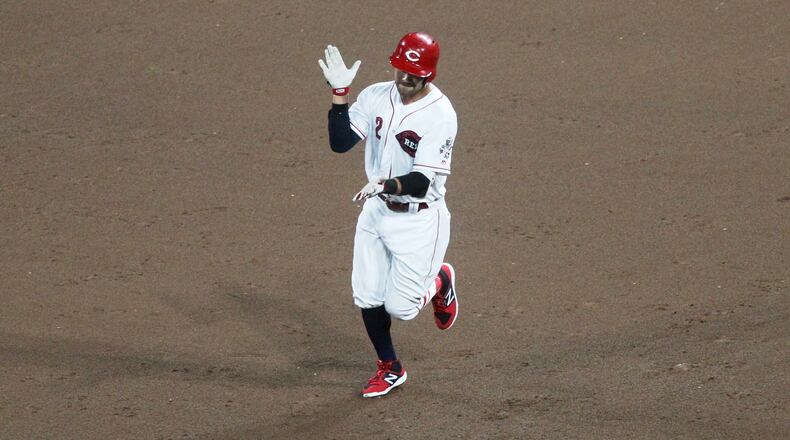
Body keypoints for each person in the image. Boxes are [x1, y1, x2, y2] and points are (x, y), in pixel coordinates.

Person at [318, 32, 459, 398]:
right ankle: (390, 367)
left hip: (419, 218)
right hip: (377, 210)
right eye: (400, 70)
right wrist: (340, 96)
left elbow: (419, 181)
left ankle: (441, 280)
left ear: (429, 75)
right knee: (367, 296)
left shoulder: (441, 116)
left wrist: (383, 184)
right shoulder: (377, 95)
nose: (404, 79)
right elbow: (341, 143)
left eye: (413, 74)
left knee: (402, 308)